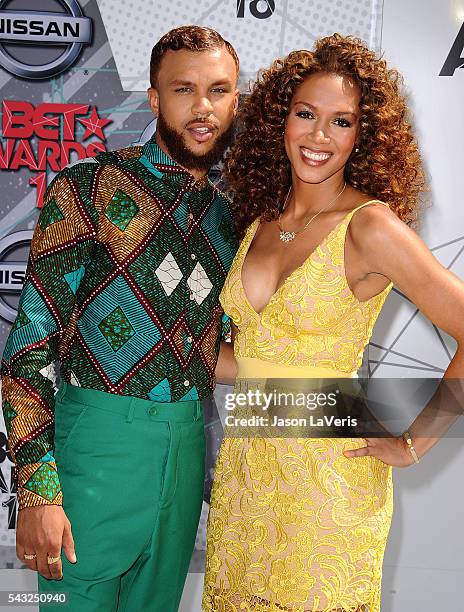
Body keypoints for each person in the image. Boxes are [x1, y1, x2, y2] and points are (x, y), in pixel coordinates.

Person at [203, 34, 464, 612]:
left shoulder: (370, 226)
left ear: (362, 135)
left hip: (328, 486)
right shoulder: (260, 224)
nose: (319, 136)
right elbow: (246, 362)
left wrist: (415, 443)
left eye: (341, 121)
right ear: (280, 121)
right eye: (306, 114)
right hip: (246, 476)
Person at [1, 25, 239, 612]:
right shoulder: (89, 188)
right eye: (184, 89)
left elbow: (219, 353)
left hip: (186, 450)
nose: (202, 107)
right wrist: (36, 492)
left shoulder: (232, 220)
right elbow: (28, 346)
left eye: (219, 90)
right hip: (95, 452)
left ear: (236, 101)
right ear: (155, 99)